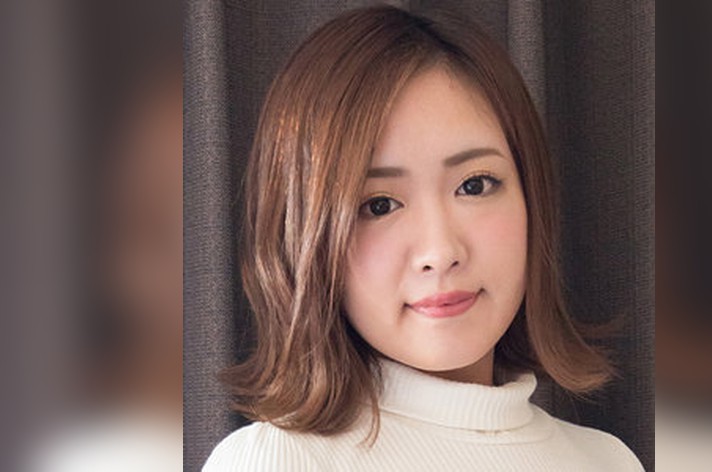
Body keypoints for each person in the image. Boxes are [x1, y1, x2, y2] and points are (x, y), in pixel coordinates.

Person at [204, 6, 644, 471]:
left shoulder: (608, 461)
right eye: (378, 205)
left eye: (474, 185)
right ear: (306, 238)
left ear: (532, 195)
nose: (440, 252)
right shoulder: (275, 460)